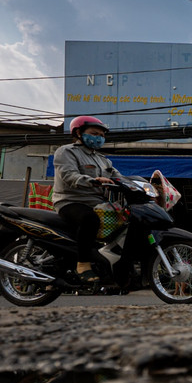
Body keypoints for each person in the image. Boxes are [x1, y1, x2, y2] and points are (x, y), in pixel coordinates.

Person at [51, 115, 125, 283]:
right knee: (90, 219)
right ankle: (83, 264)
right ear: (78, 133)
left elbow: (120, 178)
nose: (99, 138)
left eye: (102, 135)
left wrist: (142, 185)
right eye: (94, 133)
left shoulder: (103, 160)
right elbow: (69, 175)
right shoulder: (66, 152)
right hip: (70, 201)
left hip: (97, 203)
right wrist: (92, 180)